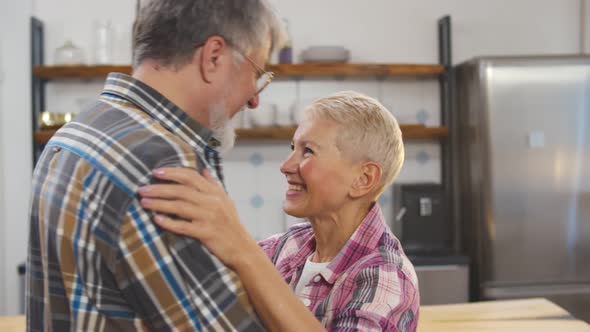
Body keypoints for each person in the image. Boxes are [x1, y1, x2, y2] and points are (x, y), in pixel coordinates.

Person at [26, 0, 285, 330]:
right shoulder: (158, 167)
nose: (254, 98)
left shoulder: (78, 130)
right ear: (214, 57)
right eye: (258, 73)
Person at [138, 91, 421, 331]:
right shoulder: (285, 248)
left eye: (308, 151)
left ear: (363, 179)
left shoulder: (385, 276)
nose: (286, 166)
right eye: (292, 148)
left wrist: (241, 249)